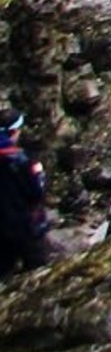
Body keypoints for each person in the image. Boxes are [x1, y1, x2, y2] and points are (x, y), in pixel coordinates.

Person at [0, 107, 51, 279]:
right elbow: (37, 192)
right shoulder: (23, 161)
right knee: (40, 273)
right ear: (13, 132)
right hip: (25, 226)